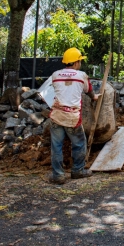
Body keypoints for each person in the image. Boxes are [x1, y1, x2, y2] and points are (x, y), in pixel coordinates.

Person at [47, 47, 98, 184]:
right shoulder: (82, 76)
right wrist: (94, 98)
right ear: (75, 63)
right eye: (79, 61)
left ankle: (58, 175)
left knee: (56, 146)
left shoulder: (55, 75)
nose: (80, 64)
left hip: (57, 115)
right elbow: (89, 91)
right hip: (72, 117)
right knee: (79, 143)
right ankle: (77, 171)